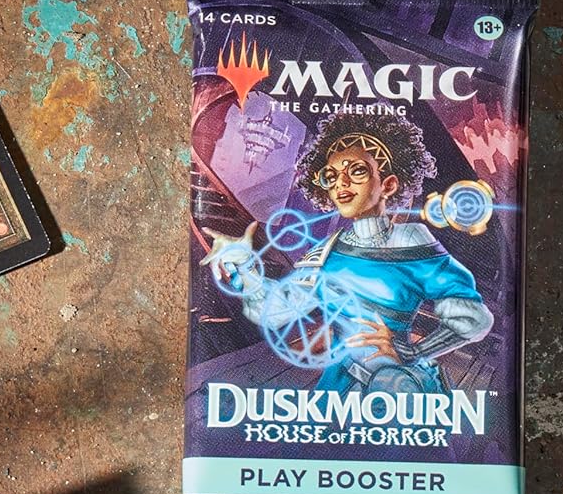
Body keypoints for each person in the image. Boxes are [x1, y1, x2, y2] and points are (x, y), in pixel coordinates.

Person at [210, 107, 493, 392]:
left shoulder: (410, 239)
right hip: (338, 383)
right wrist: (245, 270)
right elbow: (276, 311)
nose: (341, 184)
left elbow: (473, 319)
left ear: (388, 185)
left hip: (397, 386)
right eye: (331, 176)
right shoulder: (328, 250)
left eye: (357, 171)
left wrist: (413, 352)